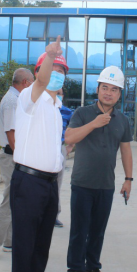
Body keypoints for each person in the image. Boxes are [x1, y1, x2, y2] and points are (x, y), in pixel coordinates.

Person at [63, 66, 133, 272]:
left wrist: (128, 179)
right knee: (79, 230)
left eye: (114, 89)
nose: (108, 93)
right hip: (82, 182)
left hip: (106, 184)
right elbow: (69, 138)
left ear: (119, 94)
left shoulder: (123, 120)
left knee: (98, 230)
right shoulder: (83, 113)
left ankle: (92, 269)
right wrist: (94, 123)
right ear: (98, 89)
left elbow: (126, 151)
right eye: (105, 88)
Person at [10, 37, 67, 272]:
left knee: (41, 246)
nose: (56, 74)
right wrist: (50, 54)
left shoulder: (57, 107)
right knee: (25, 245)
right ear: (38, 72)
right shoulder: (29, 97)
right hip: (28, 182)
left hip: (49, 184)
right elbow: (43, 81)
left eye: (61, 70)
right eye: (52, 68)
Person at [0, 68, 34, 261]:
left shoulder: (16, 99)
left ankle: (9, 241)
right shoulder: (12, 101)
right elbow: (11, 133)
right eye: (32, 82)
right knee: (9, 200)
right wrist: (20, 157)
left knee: (17, 199)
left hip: (15, 156)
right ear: (26, 83)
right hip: (11, 156)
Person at [56, 88, 75, 228]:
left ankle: (54, 215)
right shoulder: (42, 109)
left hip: (59, 148)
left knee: (56, 183)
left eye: (59, 93)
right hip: (43, 148)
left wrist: (70, 146)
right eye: (55, 92)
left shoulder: (67, 112)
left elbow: (75, 129)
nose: (57, 95)